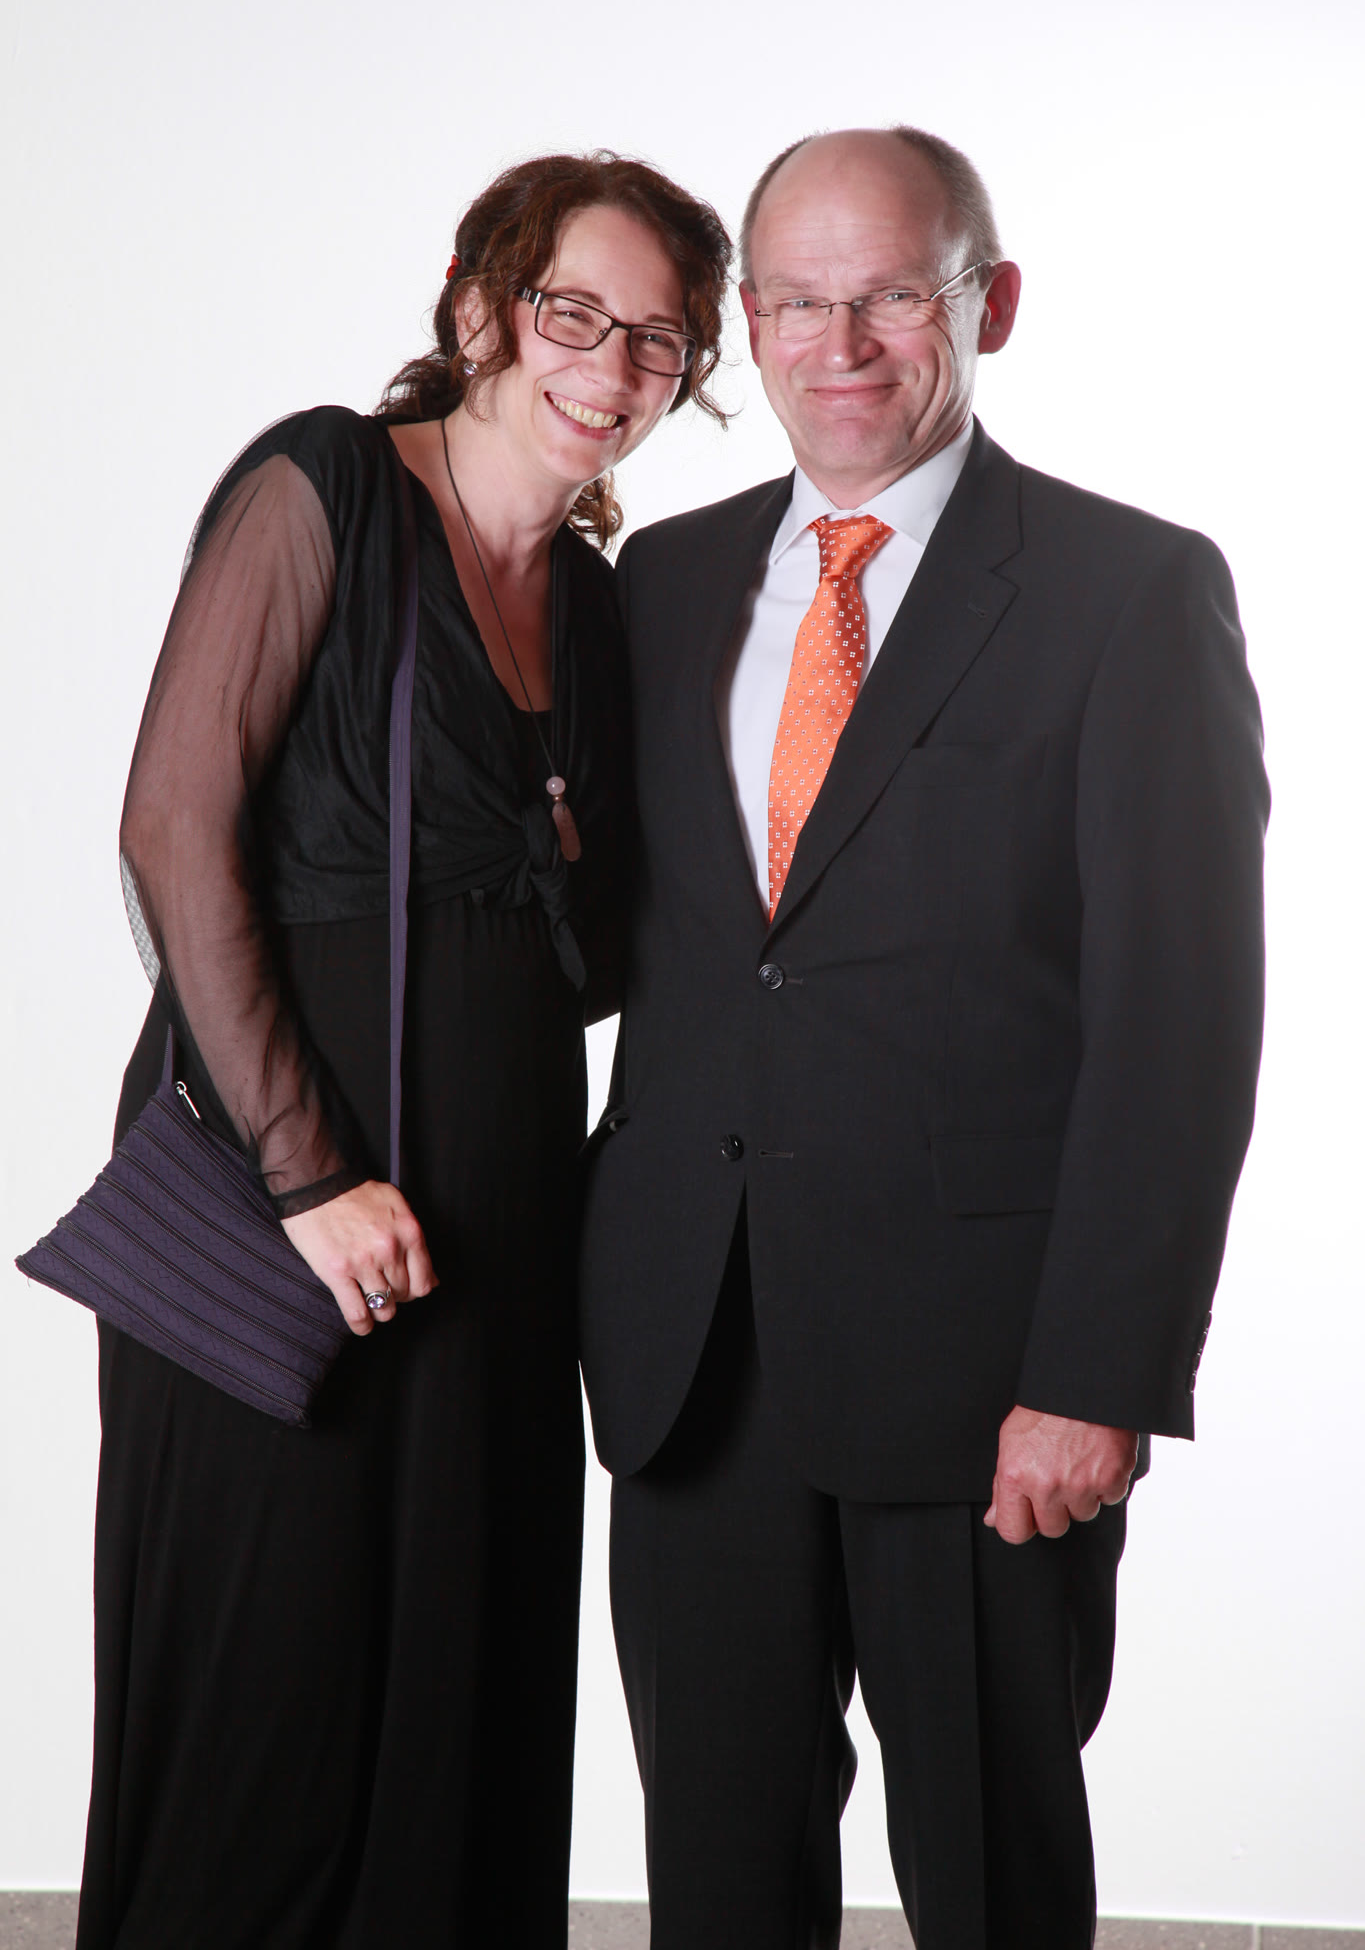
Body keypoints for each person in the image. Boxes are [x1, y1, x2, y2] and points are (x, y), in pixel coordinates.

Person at [579, 126, 1268, 1950]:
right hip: (690, 1353)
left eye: (891, 295)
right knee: (717, 1871)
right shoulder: (658, 583)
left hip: (984, 1381)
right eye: (799, 301)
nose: (842, 345)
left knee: (987, 1872)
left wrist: (1100, 1375)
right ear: (747, 319)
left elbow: (1182, 1025)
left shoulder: (1129, 592)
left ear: (990, 302)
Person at [76, 150, 730, 1950]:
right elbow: (172, 827)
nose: (612, 367)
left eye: (660, 341)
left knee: (462, 1698)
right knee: (267, 1705)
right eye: (575, 313)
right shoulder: (329, 487)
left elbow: (582, 959)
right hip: (289, 1203)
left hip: (501, 1224)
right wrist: (309, 1177)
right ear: (479, 311)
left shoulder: (592, 603)